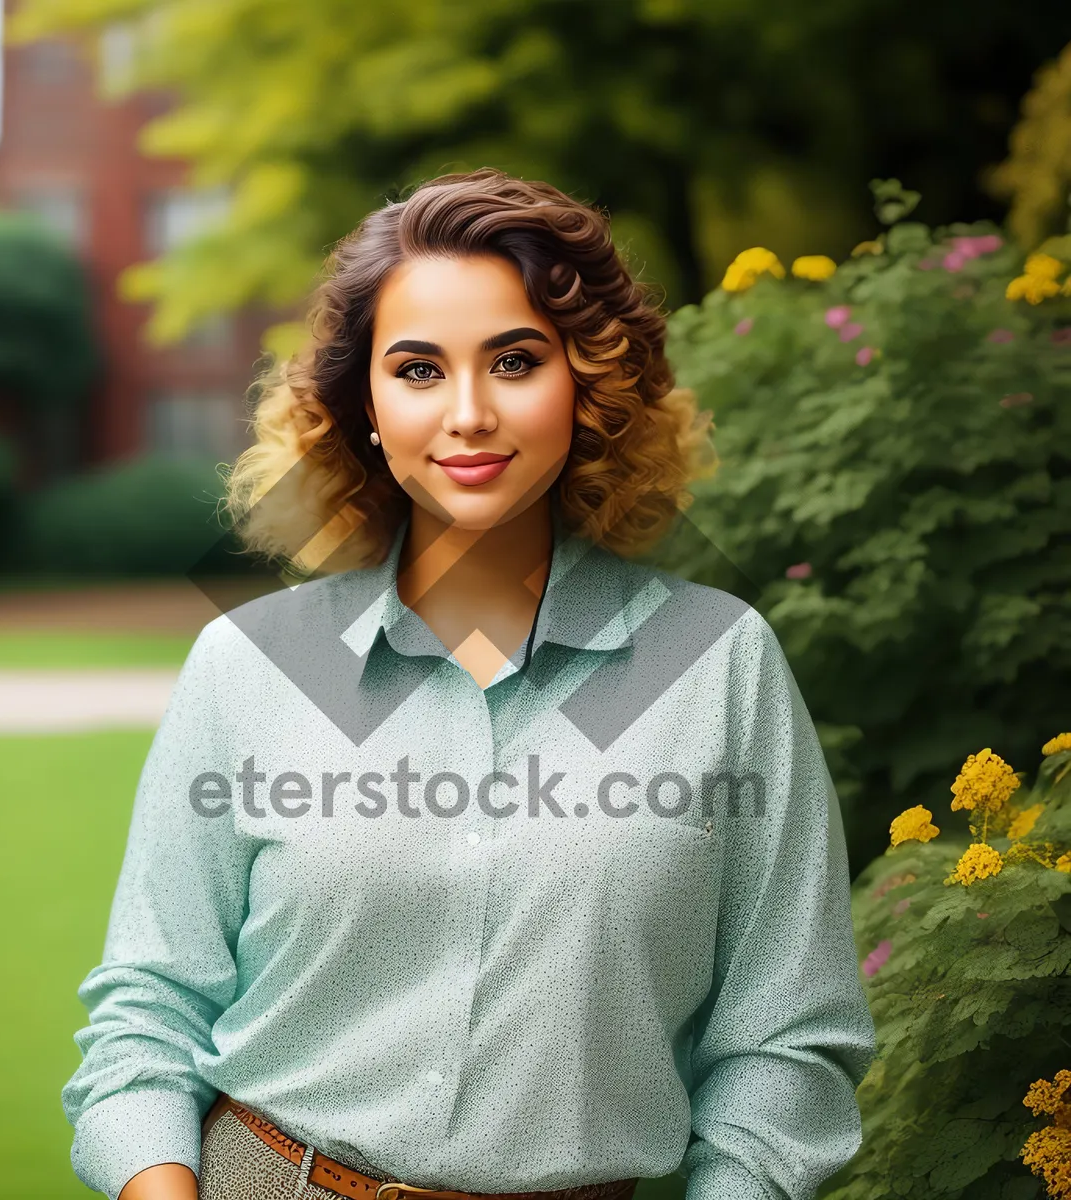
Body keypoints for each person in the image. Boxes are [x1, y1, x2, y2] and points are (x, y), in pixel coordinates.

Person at [61, 167, 878, 1200]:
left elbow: (786, 1037)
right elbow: (148, 1007)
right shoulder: (250, 668)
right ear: (361, 405)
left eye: (516, 360)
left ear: (589, 385)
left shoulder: (719, 664)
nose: (469, 413)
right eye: (417, 369)